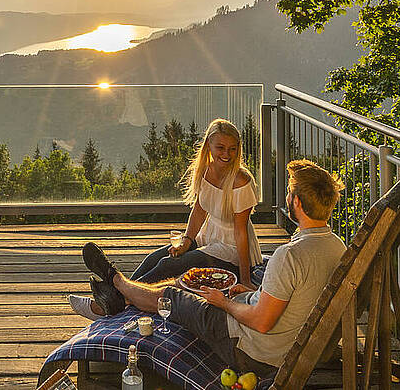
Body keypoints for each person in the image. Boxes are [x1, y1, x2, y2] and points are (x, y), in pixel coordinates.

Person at [79, 159, 347, 378]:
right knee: (180, 282)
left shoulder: (288, 256)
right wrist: (251, 292)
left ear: (297, 203)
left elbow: (261, 322)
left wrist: (224, 303)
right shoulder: (338, 248)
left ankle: (117, 282)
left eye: (289, 194)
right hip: (291, 342)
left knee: (174, 295)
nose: (288, 198)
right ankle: (120, 294)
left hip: (253, 352)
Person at [69, 119, 262, 320]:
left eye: (232, 149)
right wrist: (187, 241)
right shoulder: (207, 170)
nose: (226, 154)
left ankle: (110, 302)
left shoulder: (241, 180)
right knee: (154, 259)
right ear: (208, 147)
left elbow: (240, 232)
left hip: (230, 249)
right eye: (220, 148)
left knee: (166, 266)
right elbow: (199, 211)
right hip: (208, 237)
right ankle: (116, 298)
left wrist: (246, 278)